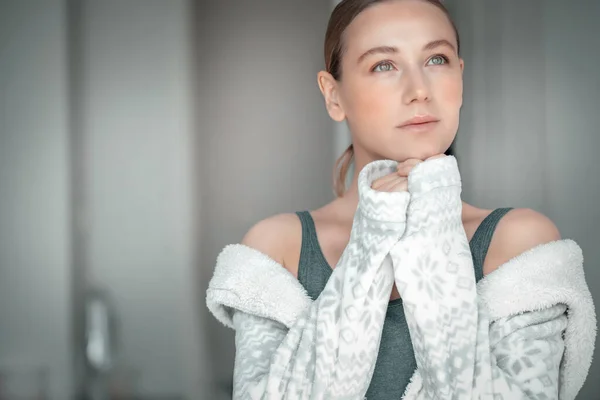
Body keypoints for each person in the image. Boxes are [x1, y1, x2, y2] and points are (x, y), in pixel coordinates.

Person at [206, 0, 597, 399]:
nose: (419, 90)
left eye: (437, 59)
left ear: (460, 78)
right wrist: (373, 237)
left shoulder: (519, 243)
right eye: (383, 65)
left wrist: (432, 223)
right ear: (333, 95)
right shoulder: (278, 248)